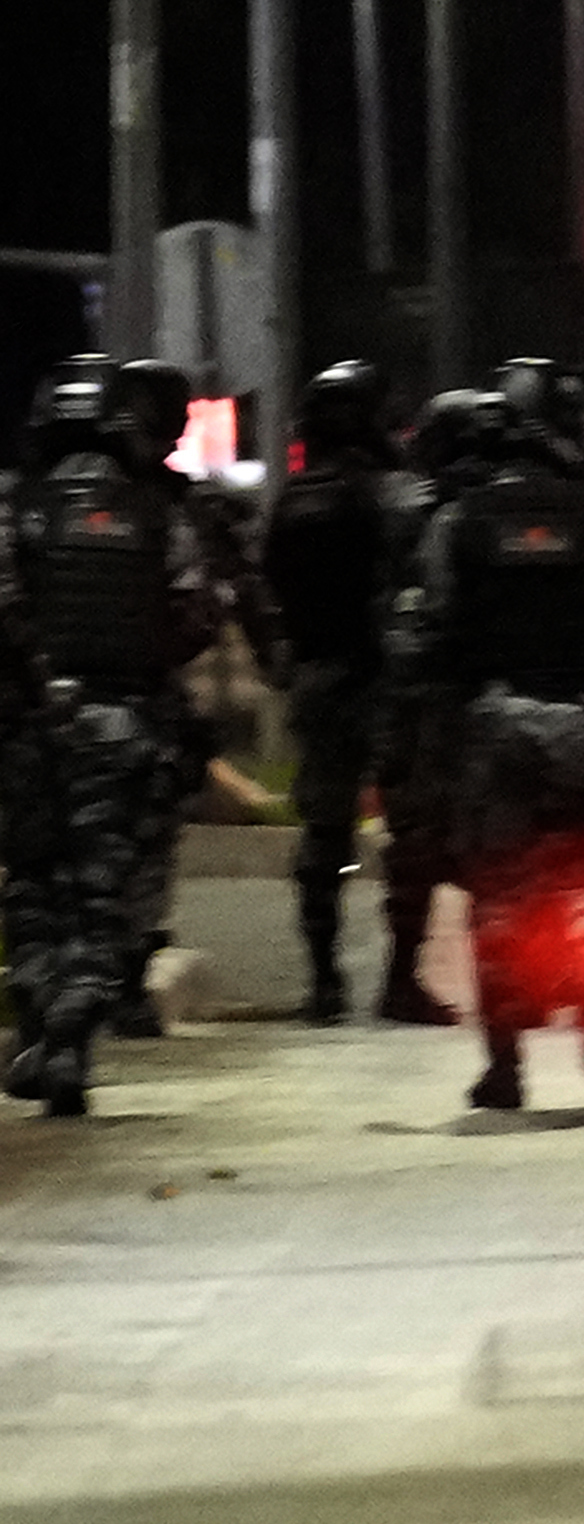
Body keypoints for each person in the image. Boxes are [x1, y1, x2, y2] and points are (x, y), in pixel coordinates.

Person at [386, 363, 584, 1112]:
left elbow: (419, 635)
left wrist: (426, 727)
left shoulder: (458, 522)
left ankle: (505, 1064)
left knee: (497, 895)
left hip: (495, 731)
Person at [3, 358, 236, 1116]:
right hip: (126, 724)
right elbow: (198, 614)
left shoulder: (14, 505)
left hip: (29, 730)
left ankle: (40, 1012)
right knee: (104, 891)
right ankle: (74, 1023)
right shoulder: (156, 513)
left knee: (34, 881)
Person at [106, 358, 283, 1035]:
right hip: (139, 694)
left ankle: (94, 976)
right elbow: (232, 593)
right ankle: (118, 973)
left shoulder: (49, 496)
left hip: (69, 697)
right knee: (140, 837)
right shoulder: (180, 507)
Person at [361, 387, 508, 1025]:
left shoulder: (405, 508)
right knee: (490, 838)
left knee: (417, 843)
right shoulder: (467, 509)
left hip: (413, 695)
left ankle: (403, 977)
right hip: (459, 691)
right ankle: (498, 981)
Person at [263, 360, 403, 1024]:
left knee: (324, 831)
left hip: (319, 677)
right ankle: (402, 977)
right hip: (387, 679)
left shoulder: (293, 500)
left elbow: (269, 587)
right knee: (412, 829)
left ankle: (323, 980)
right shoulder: (388, 494)